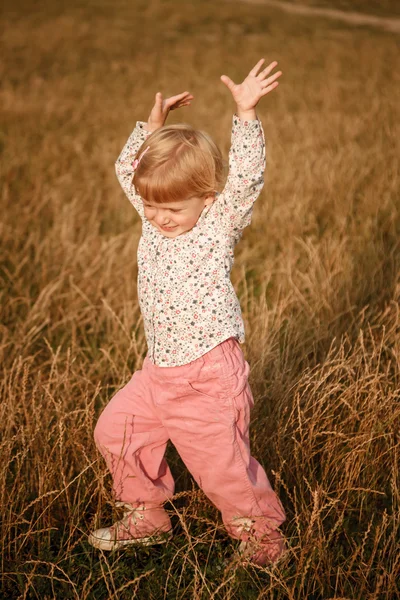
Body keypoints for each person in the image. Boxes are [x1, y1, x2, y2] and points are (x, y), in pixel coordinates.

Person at [89, 59, 286, 566]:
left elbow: (245, 178)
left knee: (223, 467)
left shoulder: (217, 223)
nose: (157, 218)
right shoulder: (156, 216)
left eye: (172, 210)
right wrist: (149, 131)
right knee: (116, 431)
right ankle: (147, 516)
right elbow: (129, 175)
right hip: (159, 371)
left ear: (207, 198)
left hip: (206, 373)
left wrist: (245, 114)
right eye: (151, 207)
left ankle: (263, 544)